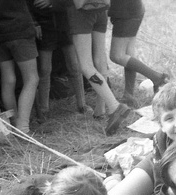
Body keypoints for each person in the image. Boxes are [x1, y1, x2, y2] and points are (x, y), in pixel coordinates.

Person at [39, 0, 130, 135]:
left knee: (86, 66)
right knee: (100, 60)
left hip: (80, 13)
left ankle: (114, 107)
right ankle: (100, 110)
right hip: (100, 9)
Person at [0, 0, 39, 134]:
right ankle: (23, 127)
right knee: (31, 79)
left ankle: (13, 123)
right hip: (20, 30)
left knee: (8, 80)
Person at [30, 1, 88, 121]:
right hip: (44, 25)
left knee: (74, 66)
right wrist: (34, 23)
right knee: (44, 69)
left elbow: (73, 2)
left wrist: (52, 2)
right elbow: (27, 4)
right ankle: (44, 109)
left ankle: (82, 105)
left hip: (65, 24)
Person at [108, 0, 168, 106]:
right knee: (128, 55)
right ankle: (128, 96)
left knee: (117, 55)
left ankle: (157, 77)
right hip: (133, 9)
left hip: (125, 12)